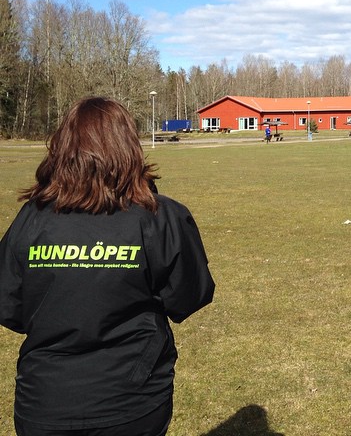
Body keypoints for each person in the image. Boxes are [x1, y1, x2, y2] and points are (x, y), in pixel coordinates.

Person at [0, 97, 215, 436]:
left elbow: (10, 306)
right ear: (129, 145)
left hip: (67, 402)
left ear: (62, 147)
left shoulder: (33, 219)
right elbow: (188, 295)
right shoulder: (157, 217)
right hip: (120, 400)